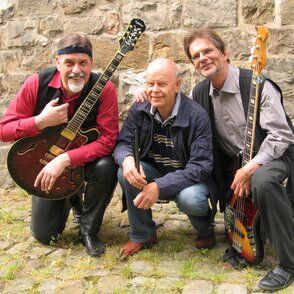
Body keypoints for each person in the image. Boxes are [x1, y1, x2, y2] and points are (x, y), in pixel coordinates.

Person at [183, 28, 294, 292]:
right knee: (225, 180)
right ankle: (242, 237)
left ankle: (287, 263)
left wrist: (251, 167)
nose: (203, 58)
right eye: (196, 56)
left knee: (263, 181)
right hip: (236, 161)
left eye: (208, 51)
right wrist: (147, 99)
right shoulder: (199, 94)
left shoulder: (257, 84)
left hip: (274, 153)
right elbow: (176, 112)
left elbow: (281, 135)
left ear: (224, 53)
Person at [0, 33, 119, 257]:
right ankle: (71, 197)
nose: (76, 70)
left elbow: (108, 139)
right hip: (45, 163)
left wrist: (65, 159)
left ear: (91, 63)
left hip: (83, 161)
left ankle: (89, 229)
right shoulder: (37, 83)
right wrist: (39, 122)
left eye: (83, 63)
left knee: (108, 165)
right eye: (69, 62)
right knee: (45, 235)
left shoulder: (105, 89)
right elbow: (4, 130)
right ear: (57, 62)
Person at [113, 58, 216, 259]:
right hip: (154, 171)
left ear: (177, 85)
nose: (154, 90)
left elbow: (201, 166)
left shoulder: (197, 115)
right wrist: (126, 160)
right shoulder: (140, 107)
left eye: (161, 84)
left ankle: (206, 229)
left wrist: (159, 186)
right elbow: (123, 143)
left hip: (188, 180)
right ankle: (143, 234)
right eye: (150, 84)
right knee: (126, 171)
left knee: (191, 199)